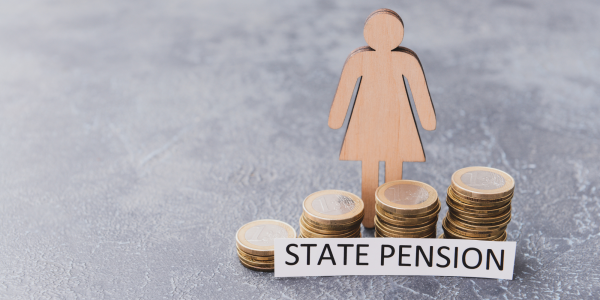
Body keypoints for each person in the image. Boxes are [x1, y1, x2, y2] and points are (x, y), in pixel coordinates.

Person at [328, 9, 436, 228]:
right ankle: (371, 218)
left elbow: (419, 91)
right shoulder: (360, 59)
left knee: (390, 166)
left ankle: (388, 221)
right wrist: (427, 120)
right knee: (373, 166)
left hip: (390, 122)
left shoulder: (404, 60)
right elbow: (345, 90)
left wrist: (337, 119)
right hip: (374, 122)